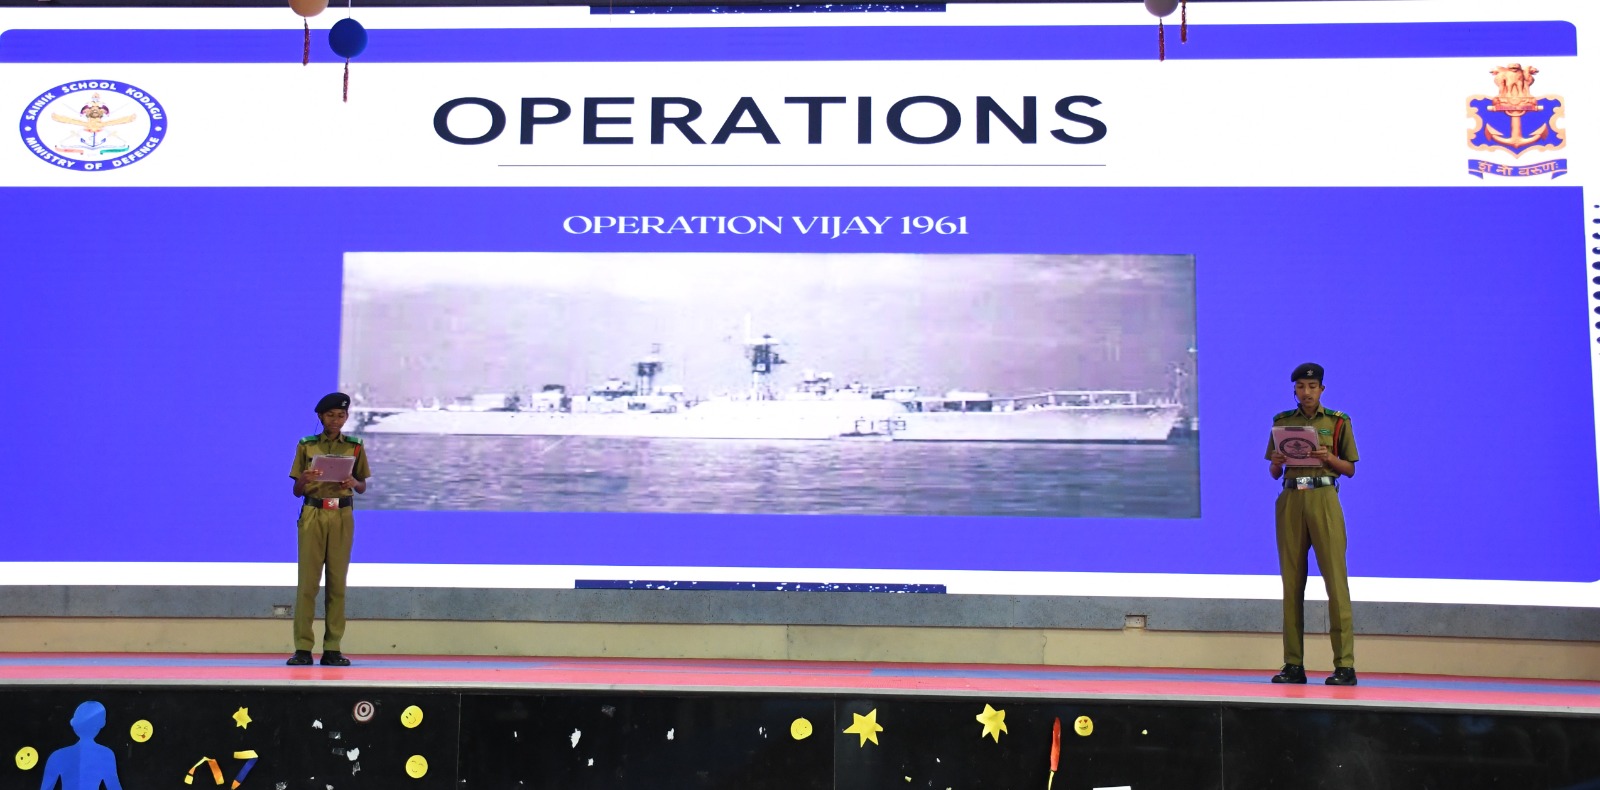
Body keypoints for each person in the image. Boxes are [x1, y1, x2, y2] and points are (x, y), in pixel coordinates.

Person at [1266, 363, 1360, 686]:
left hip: (1323, 498)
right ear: (1294, 390)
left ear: (1321, 389)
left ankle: (1344, 666)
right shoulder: (1282, 422)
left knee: (1336, 582)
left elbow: (1350, 469)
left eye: (1312, 386)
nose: (1306, 392)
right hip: (1291, 498)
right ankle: (1293, 664)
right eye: (1300, 387)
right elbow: (1273, 473)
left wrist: (1328, 458)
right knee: (1291, 585)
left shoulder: (1337, 422)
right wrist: (1276, 463)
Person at [287, 392, 370, 667]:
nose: (336, 420)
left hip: (342, 514)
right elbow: (296, 490)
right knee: (307, 584)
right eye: (331, 415)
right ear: (320, 417)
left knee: (337, 584)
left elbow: (362, 486)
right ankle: (303, 648)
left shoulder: (355, 446)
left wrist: (354, 482)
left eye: (341, 415)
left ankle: (332, 648)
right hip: (313, 513)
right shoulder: (306, 445)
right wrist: (304, 478)